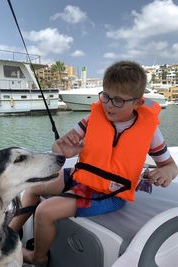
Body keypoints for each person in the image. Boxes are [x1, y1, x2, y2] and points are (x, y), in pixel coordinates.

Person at [10, 61, 178, 265]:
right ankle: (8, 236)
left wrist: (166, 173)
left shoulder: (150, 131)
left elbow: (170, 165)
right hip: (81, 176)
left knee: (45, 212)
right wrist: (64, 149)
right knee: (31, 188)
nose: (108, 105)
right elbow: (58, 148)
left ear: (138, 103)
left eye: (117, 100)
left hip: (109, 192)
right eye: (106, 96)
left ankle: (38, 257)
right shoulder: (93, 118)